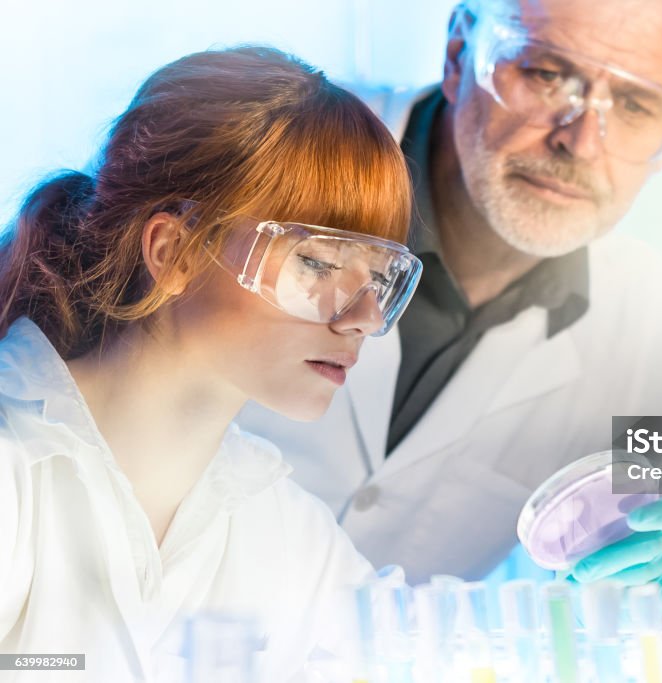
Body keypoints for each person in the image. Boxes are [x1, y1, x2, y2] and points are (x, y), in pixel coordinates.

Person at [238, 0, 662, 585]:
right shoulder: (267, 154)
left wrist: (640, 604)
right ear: (459, 52)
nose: (580, 143)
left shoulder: (643, 319)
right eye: (547, 75)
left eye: (635, 105)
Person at [0, 47, 420, 681]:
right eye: (318, 263)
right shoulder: (15, 471)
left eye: (382, 278)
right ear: (174, 253)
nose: (363, 316)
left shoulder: (280, 527)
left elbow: (430, 648)